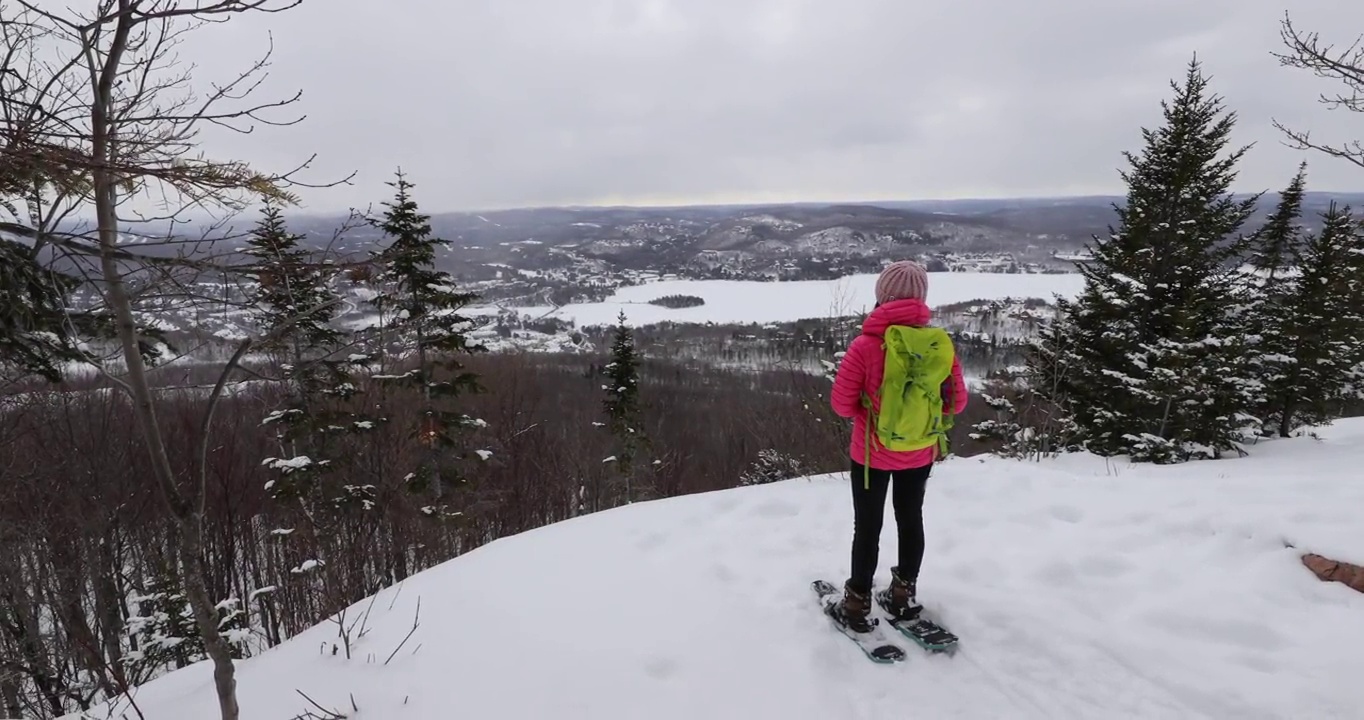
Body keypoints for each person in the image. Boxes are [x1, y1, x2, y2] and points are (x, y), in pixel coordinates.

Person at [828, 260, 968, 632]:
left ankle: (856, 603)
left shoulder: (865, 345)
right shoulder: (938, 346)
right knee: (910, 520)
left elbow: (841, 405)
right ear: (921, 298)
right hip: (920, 452)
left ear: (881, 296)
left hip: (872, 456)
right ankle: (902, 594)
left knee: (868, 527)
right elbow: (957, 403)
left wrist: (869, 410)